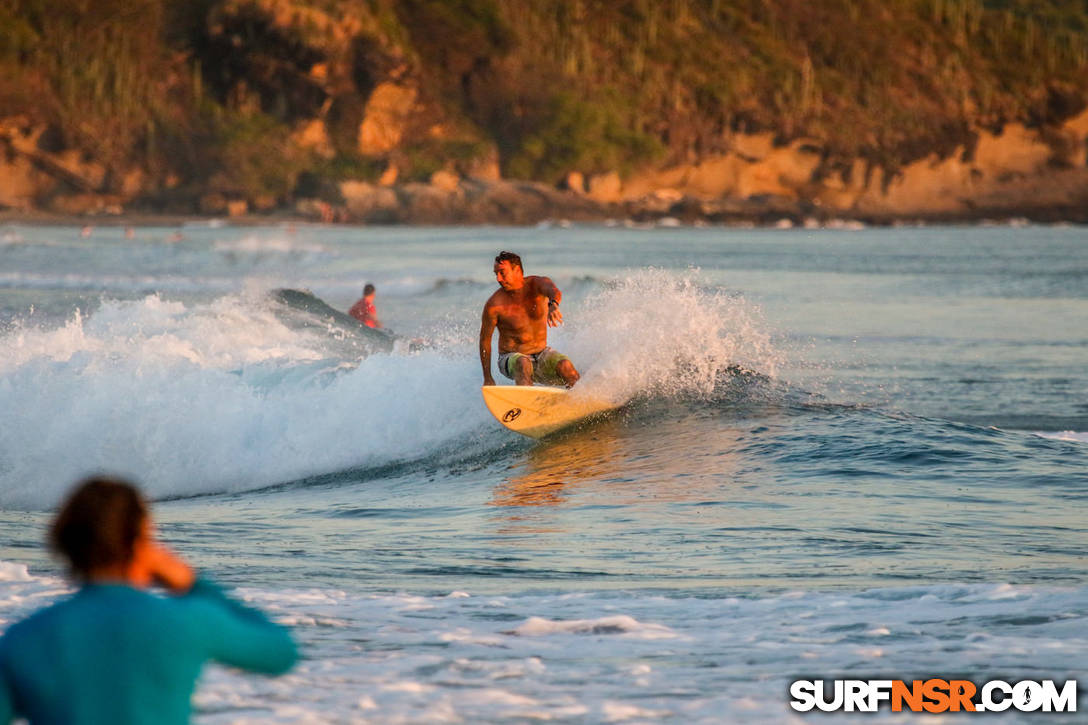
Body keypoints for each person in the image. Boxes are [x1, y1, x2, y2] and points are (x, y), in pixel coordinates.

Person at [0, 476, 297, 724]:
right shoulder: (187, 621)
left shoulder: (23, 638)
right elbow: (279, 653)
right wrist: (193, 583)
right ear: (139, 543)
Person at [480, 251, 580, 388]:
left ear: (517, 270)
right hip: (510, 357)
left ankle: (581, 404)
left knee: (567, 368)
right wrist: (487, 378)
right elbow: (485, 341)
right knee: (523, 362)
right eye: (495, 274)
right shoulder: (494, 305)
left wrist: (553, 305)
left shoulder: (537, 284)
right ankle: (525, 406)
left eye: (502, 273)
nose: (498, 278)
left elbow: (554, 290)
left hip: (541, 353)